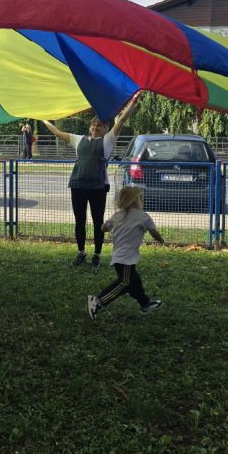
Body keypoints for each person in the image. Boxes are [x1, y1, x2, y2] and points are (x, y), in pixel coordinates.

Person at [42, 93, 141, 268]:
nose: (96, 127)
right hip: (78, 186)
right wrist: (42, 119)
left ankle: (96, 255)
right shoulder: (78, 140)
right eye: (94, 125)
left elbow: (122, 120)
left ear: (105, 129)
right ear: (90, 127)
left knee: (98, 222)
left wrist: (133, 102)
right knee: (79, 220)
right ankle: (81, 252)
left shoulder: (107, 141)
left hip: (97, 188)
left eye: (100, 126)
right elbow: (57, 132)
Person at [87, 186, 165, 320]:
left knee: (134, 281)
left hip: (119, 255)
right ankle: (98, 301)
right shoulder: (143, 217)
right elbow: (154, 232)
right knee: (125, 283)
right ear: (137, 200)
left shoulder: (118, 215)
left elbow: (103, 228)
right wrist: (161, 240)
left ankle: (145, 304)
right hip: (127, 258)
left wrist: (107, 225)